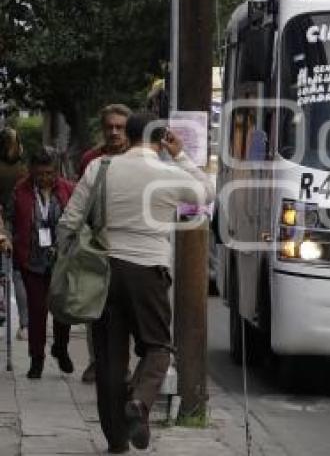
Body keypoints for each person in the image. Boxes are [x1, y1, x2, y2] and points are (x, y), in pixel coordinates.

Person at [58, 113, 214, 453]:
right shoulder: (168, 174)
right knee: (158, 346)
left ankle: (116, 441)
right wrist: (181, 155)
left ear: (126, 136)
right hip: (148, 272)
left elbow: (70, 219)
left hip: (103, 271)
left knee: (109, 359)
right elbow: (207, 192)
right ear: (159, 140)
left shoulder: (99, 168)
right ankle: (140, 403)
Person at [78, 103, 131, 383]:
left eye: (120, 127)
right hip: (97, 241)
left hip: (130, 243)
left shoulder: (138, 159)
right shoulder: (91, 159)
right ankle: (96, 360)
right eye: (109, 127)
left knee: (127, 307)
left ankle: (123, 364)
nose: (114, 132)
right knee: (94, 303)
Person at [13, 148, 76, 379]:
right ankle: (36, 358)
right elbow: (10, 219)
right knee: (37, 311)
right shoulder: (20, 190)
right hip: (32, 260)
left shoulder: (68, 189)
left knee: (62, 308)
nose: (45, 178)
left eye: (49, 173)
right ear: (31, 171)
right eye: (39, 174)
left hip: (62, 259)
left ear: (56, 171)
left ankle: (60, 347)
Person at [0, 127, 28, 338]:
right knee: (17, 274)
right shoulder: (24, 170)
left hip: (5, 224)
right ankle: (25, 324)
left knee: (8, 273)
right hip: (17, 226)